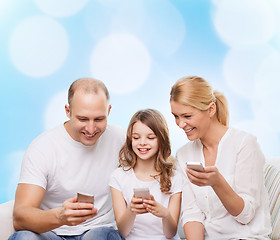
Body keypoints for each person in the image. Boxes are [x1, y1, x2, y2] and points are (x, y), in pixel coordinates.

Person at [9, 78, 126, 240]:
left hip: (98, 230)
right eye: (83, 119)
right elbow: (20, 217)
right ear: (67, 111)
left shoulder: (120, 138)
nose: (91, 129)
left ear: (109, 111)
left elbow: (157, 160)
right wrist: (60, 217)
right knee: (24, 237)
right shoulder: (42, 148)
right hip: (51, 233)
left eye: (99, 119)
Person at [170, 76, 271, 239]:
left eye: (187, 116)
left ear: (211, 109)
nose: (180, 124)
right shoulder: (183, 155)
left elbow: (246, 215)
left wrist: (218, 183)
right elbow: (192, 214)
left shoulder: (244, 144)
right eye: (176, 116)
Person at [109, 109, 183, 240]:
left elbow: (170, 233)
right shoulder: (118, 177)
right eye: (136, 137)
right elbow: (123, 231)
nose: (142, 143)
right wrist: (131, 210)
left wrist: (165, 214)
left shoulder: (175, 177)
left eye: (150, 137)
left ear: (161, 139)